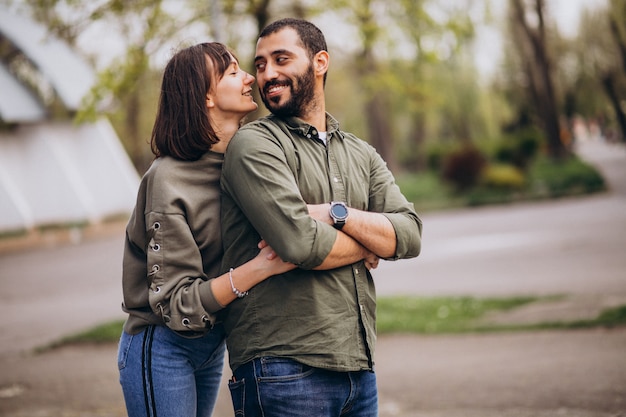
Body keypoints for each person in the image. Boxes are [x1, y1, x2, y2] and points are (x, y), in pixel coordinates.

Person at [219, 18, 423, 417]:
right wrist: (371, 240)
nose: (267, 74)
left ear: (319, 62)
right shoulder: (255, 144)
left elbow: (411, 234)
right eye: (260, 65)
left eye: (281, 59)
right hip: (281, 370)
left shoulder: (360, 152)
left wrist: (335, 214)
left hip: (358, 369)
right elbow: (300, 244)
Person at [117, 42, 294, 417]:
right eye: (233, 72)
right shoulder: (168, 179)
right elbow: (176, 303)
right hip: (163, 346)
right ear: (206, 96)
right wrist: (262, 267)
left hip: (213, 342)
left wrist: (353, 236)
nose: (251, 77)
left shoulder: (247, 162)